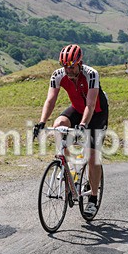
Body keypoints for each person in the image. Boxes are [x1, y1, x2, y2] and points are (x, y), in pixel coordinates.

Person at [33, 44, 108, 215]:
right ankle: (68, 168)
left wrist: (83, 125)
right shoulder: (57, 75)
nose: (68, 70)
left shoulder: (91, 74)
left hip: (97, 113)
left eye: (72, 66)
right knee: (59, 124)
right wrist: (42, 122)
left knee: (93, 155)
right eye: (65, 66)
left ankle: (93, 198)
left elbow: (90, 104)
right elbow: (50, 100)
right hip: (77, 109)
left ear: (80, 64)